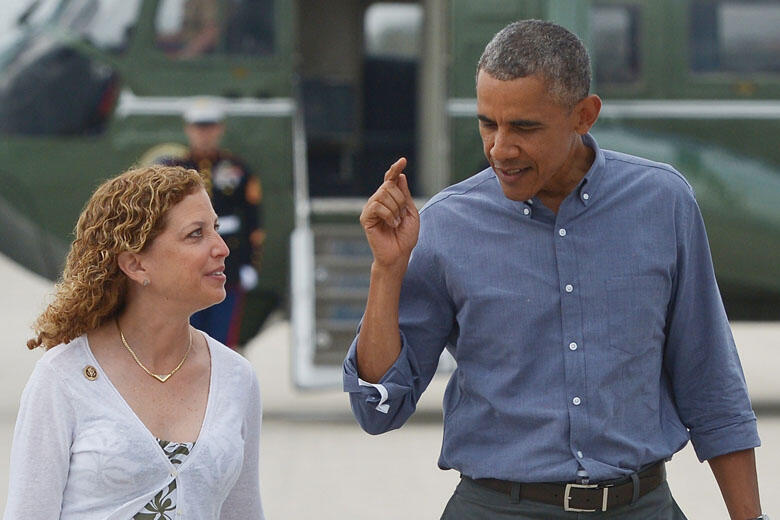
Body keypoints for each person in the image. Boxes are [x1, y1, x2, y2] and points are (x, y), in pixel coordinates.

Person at [343, 20, 765, 519]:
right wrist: (387, 271)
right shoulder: (446, 226)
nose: (500, 148)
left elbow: (710, 382)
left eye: (524, 127)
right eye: (487, 124)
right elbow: (378, 409)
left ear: (584, 115)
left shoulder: (663, 203)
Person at [4, 166, 264, 519]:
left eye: (215, 229)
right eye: (195, 234)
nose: (221, 248)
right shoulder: (64, 377)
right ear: (136, 265)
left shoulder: (236, 378)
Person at [162, 98, 265, 350]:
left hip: (226, 264)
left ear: (219, 129)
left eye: (209, 127)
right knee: (183, 335)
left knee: (221, 341)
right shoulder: (173, 169)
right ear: (188, 129)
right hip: (185, 265)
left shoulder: (237, 169)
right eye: (198, 127)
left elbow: (252, 221)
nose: (204, 134)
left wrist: (250, 263)